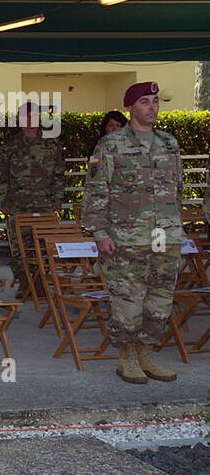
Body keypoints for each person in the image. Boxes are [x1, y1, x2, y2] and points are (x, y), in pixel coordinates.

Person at [82, 81, 184, 383]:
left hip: (164, 237)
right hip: (128, 238)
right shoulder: (111, 145)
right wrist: (100, 232)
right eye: (145, 102)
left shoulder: (169, 143)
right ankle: (125, 357)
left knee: (160, 300)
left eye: (155, 101)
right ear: (131, 107)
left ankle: (144, 354)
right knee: (129, 301)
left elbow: (177, 190)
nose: (152, 107)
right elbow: (96, 191)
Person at [0, 101, 65, 298]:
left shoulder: (51, 144)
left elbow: (59, 173)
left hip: (45, 204)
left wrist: (58, 197)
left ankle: (41, 284)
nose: (30, 120)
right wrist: (4, 200)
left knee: (43, 246)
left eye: (33, 116)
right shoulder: (10, 146)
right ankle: (25, 284)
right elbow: (1, 175)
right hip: (18, 204)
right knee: (19, 247)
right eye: (25, 116)